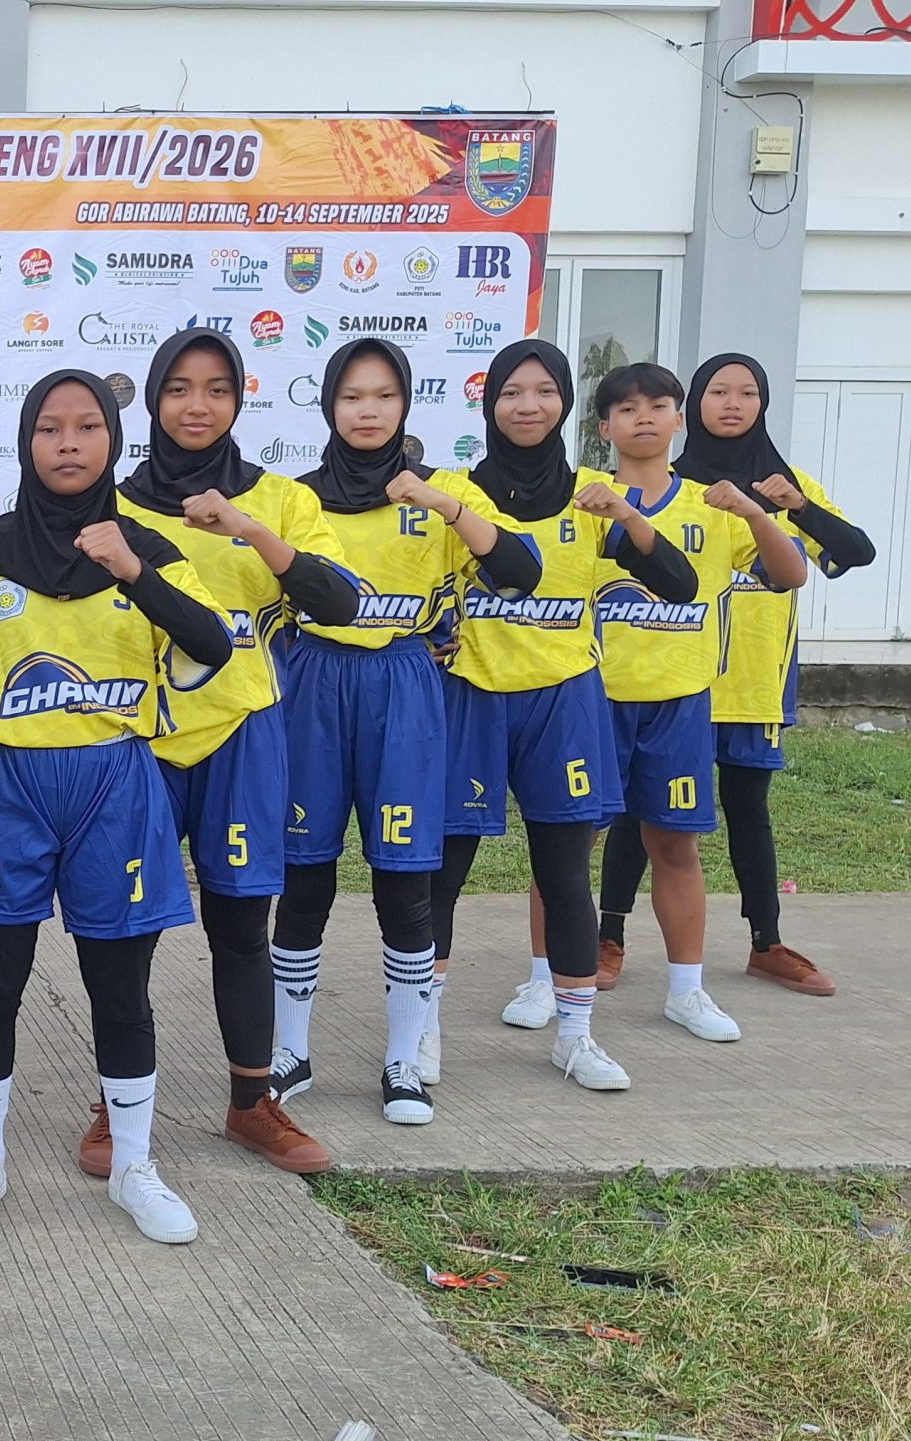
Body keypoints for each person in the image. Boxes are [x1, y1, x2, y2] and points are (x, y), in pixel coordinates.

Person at [0, 370, 233, 1245]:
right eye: (49, 428)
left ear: (113, 440)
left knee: (120, 984)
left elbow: (212, 642)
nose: (67, 443)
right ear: (26, 442)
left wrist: (132, 569)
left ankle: (134, 1163)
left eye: (87, 426)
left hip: (115, 783)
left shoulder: (148, 550)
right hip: (6, 785)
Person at [269, 338, 543, 1126]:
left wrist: (446, 507)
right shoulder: (296, 498)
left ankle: (404, 1058)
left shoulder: (442, 491)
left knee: (406, 878)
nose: (368, 410)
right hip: (314, 683)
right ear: (329, 403)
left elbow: (521, 571)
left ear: (406, 405)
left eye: (384, 395)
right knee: (306, 873)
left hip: (405, 684)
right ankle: (290, 1051)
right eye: (352, 395)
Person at [105, 325, 358, 1175]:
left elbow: (340, 604)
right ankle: (116, 1103)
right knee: (127, 928)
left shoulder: (281, 500)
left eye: (217, 388)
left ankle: (253, 1102)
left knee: (242, 922)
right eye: (179, 387)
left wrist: (245, 526)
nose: (197, 405)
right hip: (140, 736)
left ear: (240, 399)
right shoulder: (113, 503)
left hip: (244, 733)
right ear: (152, 399)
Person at [427, 341, 696, 1092]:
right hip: (473, 697)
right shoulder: (454, 493)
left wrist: (629, 514)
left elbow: (677, 583)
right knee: (439, 875)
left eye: (545, 391)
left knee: (566, 875)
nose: (528, 405)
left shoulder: (592, 497)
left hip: (564, 703)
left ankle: (575, 1037)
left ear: (566, 404)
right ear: (489, 403)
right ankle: (420, 1032)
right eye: (512, 391)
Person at [597, 353, 874, 997]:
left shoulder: (785, 485)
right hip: (672, 680)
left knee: (748, 809)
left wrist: (793, 507)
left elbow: (851, 553)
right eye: (717, 392)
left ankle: (766, 943)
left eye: (748, 393)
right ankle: (609, 936)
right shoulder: (669, 488)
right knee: (640, 813)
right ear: (690, 408)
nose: (733, 404)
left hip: (753, 682)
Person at [584, 362, 810, 1044]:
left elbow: (791, 573)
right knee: (567, 843)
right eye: (627, 409)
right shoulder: (581, 498)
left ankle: (687, 989)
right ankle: (549, 977)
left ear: (679, 419)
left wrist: (755, 512)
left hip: (681, 702)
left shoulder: (711, 505)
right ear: (604, 428)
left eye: (658, 405)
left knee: (676, 845)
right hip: (592, 699)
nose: (644, 418)